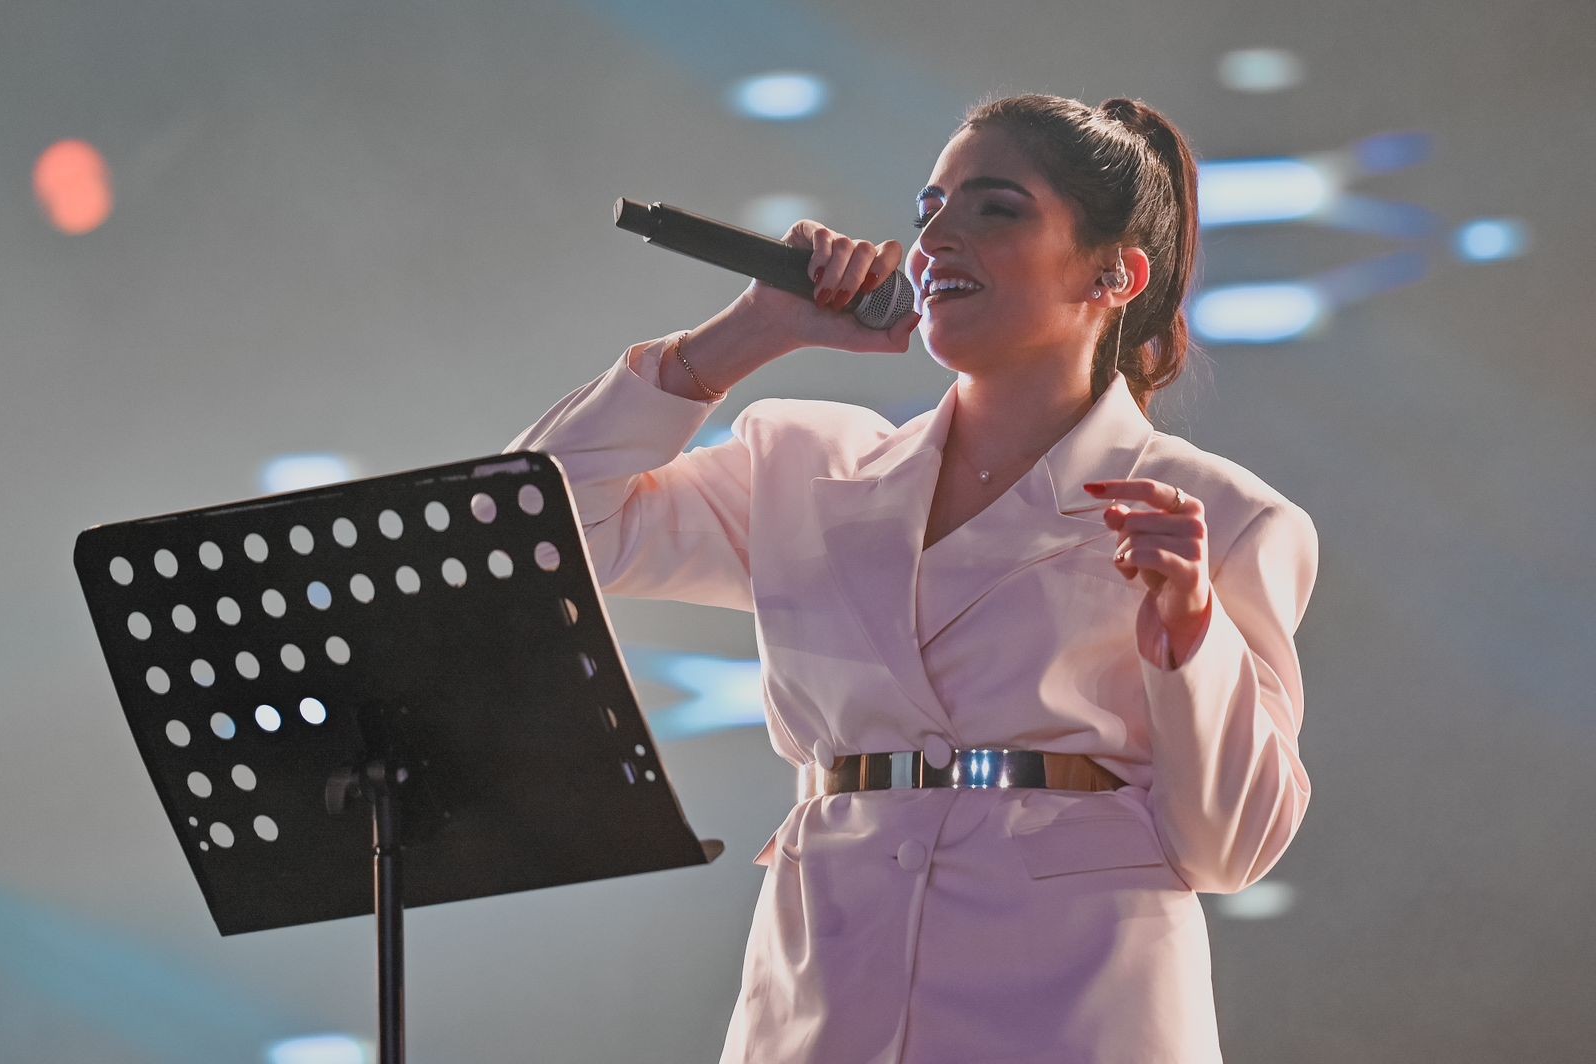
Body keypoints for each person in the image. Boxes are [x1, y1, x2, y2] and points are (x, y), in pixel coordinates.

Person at [508, 94, 1319, 1064]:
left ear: (1114, 272)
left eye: (994, 208)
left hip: (1074, 1003)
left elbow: (1229, 845)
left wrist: (1192, 632)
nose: (934, 239)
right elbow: (529, 532)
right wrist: (752, 331)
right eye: (928, 209)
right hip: (823, 996)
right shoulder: (806, 465)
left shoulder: (1218, 514)